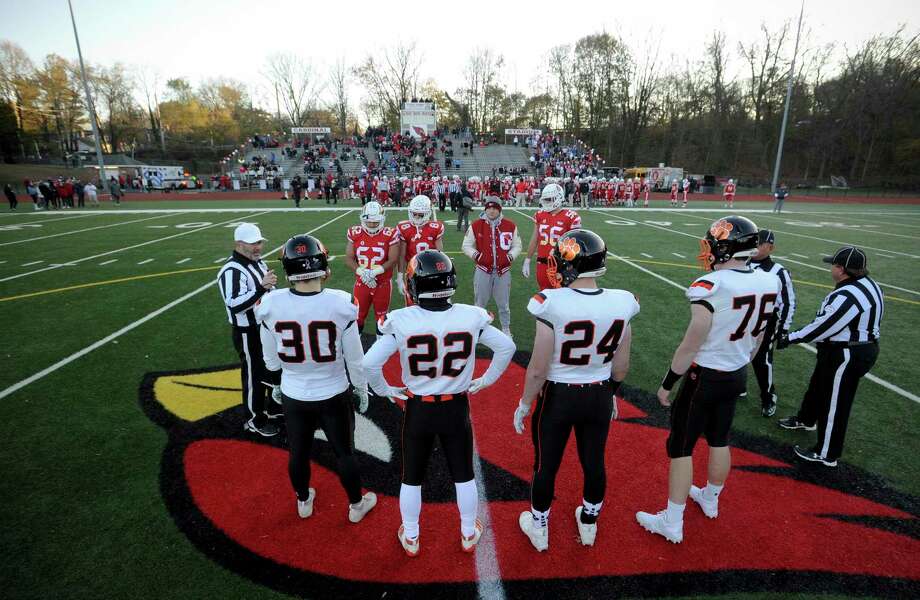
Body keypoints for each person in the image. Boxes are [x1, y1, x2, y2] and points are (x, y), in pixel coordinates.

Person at [362, 250, 516, 556]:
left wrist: (385, 390)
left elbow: (368, 364)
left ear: (414, 284)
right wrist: (486, 380)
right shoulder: (470, 316)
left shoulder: (402, 319)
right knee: (463, 473)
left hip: (418, 408)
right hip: (455, 407)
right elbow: (507, 346)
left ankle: (412, 535)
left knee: (412, 476)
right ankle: (468, 531)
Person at [636, 216, 779, 544]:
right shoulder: (769, 281)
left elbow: (692, 342)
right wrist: (741, 359)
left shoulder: (711, 286)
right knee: (719, 438)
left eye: (713, 243)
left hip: (705, 375)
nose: (709, 248)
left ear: (726, 246)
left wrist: (669, 381)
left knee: (682, 447)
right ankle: (711, 498)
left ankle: (672, 521)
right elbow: (759, 338)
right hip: (736, 372)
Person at [514, 230, 638, 551]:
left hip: (559, 396)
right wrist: (611, 391)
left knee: (546, 464)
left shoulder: (550, 302)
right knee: (594, 461)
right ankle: (589, 522)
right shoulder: (623, 301)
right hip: (598, 393)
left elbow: (539, 367)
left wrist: (526, 402)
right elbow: (621, 364)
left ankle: (540, 526)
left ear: (571, 262)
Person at [257, 234, 378, 523]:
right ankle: (355, 505)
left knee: (298, 452)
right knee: (344, 453)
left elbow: (270, 360)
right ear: (324, 266)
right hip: (333, 391)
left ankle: (303, 500)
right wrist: (360, 387)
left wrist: (280, 382)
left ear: (287, 270)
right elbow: (355, 358)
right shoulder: (340, 303)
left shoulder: (271, 303)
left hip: (294, 392)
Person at [776, 246, 882, 467]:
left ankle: (827, 454)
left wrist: (790, 338)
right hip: (844, 348)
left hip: (848, 352)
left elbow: (825, 327)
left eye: (833, 264)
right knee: (818, 385)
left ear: (842, 269)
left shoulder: (849, 295)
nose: (831, 268)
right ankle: (806, 419)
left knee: (836, 402)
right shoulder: (866, 284)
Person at [216, 223, 281, 437]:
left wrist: (272, 288)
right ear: (239, 244)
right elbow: (235, 304)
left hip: (265, 327)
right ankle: (255, 419)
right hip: (247, 331)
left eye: (259, 242)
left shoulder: (258, 262)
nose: (258, 247)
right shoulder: (231, 270)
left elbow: (267, 289)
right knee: (253, 374)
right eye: (253, 243)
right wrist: (263, 287)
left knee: (272, 368)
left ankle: (273, 408)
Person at [749, 229, 796, 417]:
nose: (756, 247)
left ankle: (768, 397)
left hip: (766, 322)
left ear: (771, 248)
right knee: (736, 352)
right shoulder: (741, 264)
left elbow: (788, 301)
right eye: (754, 242)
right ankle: (737, 386)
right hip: (743, 318)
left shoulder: (779, 272)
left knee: (762, 360)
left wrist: (783, 329)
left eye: (761, 244)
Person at [462, 198, 522, 336]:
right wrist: (478, 256)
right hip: (483, 270)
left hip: (503, 271)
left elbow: (517, 245)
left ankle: (506, 328)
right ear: (485, 209)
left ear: (499, 209)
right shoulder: (476, 225)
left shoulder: (510, 225)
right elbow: (466, 245)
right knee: (479, 303)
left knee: (504, 305)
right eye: (489, 208)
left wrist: (510, 257)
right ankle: (477, 328)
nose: (491, 210)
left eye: (495, 208)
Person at [344, 202, 399, 334]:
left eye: (376, 222)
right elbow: (348, 258)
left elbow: (393, 259)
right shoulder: (355, 232)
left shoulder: (390, 233)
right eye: (369, 222)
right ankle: (355, 346)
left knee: (381, 318)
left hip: (382, 283)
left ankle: (380, 347)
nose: (372, 225)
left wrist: (374, 272)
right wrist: (362, 273)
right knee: (357, 316)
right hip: (361, 282)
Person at [522, 183, 581, 291]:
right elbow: (535, 239)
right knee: (544, 295)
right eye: (545, 199)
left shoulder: (571, 217)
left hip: (561, 265)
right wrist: (528, 259)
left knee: (562, 297)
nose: (547, 202)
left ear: (559, 198)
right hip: (542, 264)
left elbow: (575, 245)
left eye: (549, 199)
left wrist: (571, 268)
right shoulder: (540, 215)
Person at [395, 195, 444, 304]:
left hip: (432, 271)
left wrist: (441, 274)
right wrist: (400, 277)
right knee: (412, 305)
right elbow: (401, 256)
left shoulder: (435, 227)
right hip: (412, 271)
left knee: (433, 304)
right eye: (414, 214)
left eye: (420, 215)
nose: (416, 217)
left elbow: (440, 254)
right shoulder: (404, 228)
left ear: (427, 213)